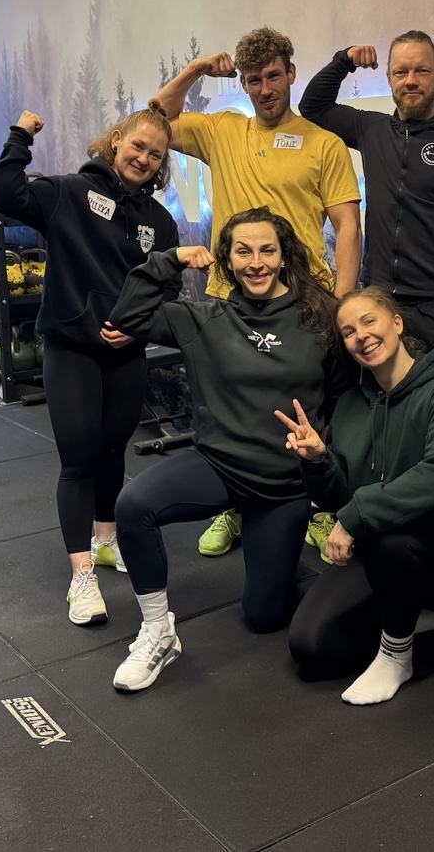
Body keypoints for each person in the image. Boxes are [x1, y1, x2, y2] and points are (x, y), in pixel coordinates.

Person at [105, 205, 354, 692]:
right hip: (218, 466)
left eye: (267, 251)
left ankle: (293, 570)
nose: (256, 262)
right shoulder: (205, 318)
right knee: (133, 505)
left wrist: (328, 463)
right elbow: (127, 316)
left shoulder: (319, 318)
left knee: (262, 616)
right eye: (243, 251)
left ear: (283, 256)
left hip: (284, 486)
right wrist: (171, 259)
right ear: (226, 259)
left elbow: (344, 397)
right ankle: (157, 632)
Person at [152, 27, 363, 560]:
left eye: (273, 76)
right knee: (233, 408)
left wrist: (340, 302)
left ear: (291, 73)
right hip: (232, 299)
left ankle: (320, 505)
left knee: (318, 407)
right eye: (253, 80)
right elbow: (154, 122)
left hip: (306, 300)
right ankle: (234, 503)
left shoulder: (324, 144)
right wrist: (196, 69)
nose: (265, 89)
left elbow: (348, 225)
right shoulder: (223, 130)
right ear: (242, 84)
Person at [0, 107, 180, 628]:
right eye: (137, 146)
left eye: (155, 154)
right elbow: (6, 193)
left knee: (113, 449)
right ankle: (81, 576)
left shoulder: (159, 222)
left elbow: (168, 289)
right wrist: (20, 135)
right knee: (78, 459)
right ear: (116, 141)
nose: (144, 158)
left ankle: (106, 540)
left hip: (126, 352)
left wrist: (139, 327)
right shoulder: (69, 192)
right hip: (72, 346)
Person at [276, 287, 434, 705]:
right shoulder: (350, 405)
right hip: (378, 554)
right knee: (312, 646)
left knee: (395, 545)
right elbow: (340, 494)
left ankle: (396, 655)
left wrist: (356, 514)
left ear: (397, 322)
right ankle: (415, 616)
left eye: (369, 321)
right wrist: (318, 461)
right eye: (349, 331)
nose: (361, 336)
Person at [298, 31, 434, 389]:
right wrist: (344, 61)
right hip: (380, 303)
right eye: (401, 72)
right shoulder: (372, 129)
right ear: (389, 79)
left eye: (421, 71)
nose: (411, 81)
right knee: (383, 401)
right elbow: (313, 106)